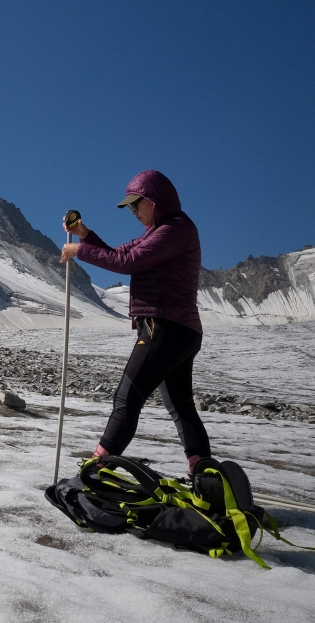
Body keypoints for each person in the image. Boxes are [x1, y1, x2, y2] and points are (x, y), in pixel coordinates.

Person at [60, 170, 210, 476]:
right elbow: (118, 254)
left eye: (136, 205)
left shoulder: (175, 229)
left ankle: (95, 470)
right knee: (181, 407)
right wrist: (85, 235)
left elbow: (129, 263)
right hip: (181, 331)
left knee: (127, 398)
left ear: (154, 201)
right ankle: (205, 477)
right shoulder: (160, 232)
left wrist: (80, 250)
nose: (133, 212)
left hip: (165, 327)